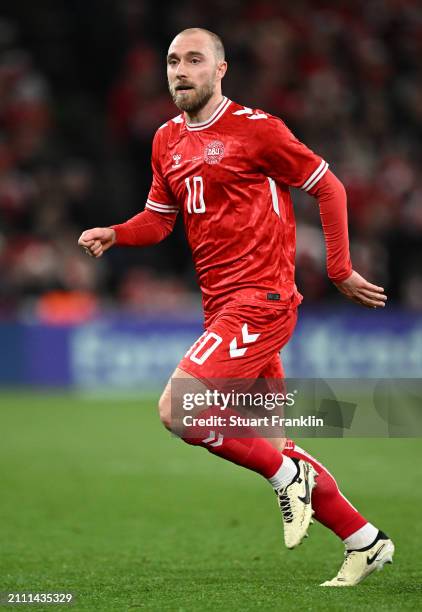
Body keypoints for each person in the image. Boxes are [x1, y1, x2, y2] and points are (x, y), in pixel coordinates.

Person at [78, 28, 394, 586]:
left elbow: (329, 187)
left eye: (194, 60)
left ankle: (284, 477)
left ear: (220, 70)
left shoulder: (258, 131)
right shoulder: (166, 140)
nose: (181, 71)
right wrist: (117, 234)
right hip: (221, 307)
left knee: (180, 410)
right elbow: (160, 219)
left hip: (261, 302)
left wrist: (340, 270)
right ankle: (364, 541)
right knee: (276, 444)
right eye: (173, 61)